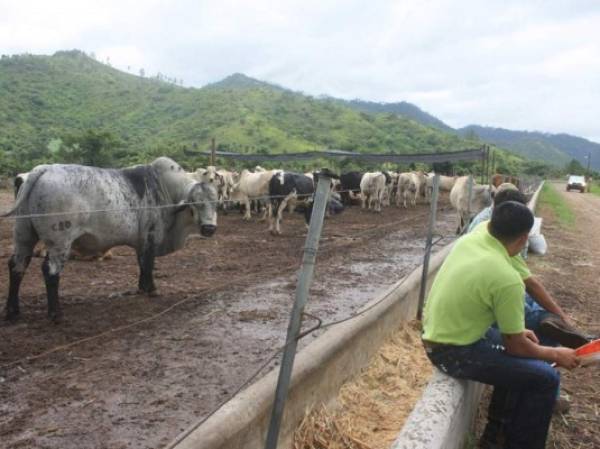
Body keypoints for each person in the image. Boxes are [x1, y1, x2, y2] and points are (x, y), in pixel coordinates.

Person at [422, 201, 580, 449]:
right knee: (546, 377)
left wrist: (519, 333)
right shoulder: (507, 278)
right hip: (454, 352)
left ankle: (496, 434)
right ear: (524, 238)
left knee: (528, 354)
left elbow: (515, 340)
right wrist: (556, 353)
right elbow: (516, 347)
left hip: (443, 335)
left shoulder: (473, 239)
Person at [468, 186, 592, 350]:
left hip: (477, 291)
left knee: (527, 298)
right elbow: (531, 284)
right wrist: (562, 318)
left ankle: (549, 321)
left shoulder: (482, 225)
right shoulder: (504, 238)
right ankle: (549, 323)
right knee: (527, 306)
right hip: (487, 300)